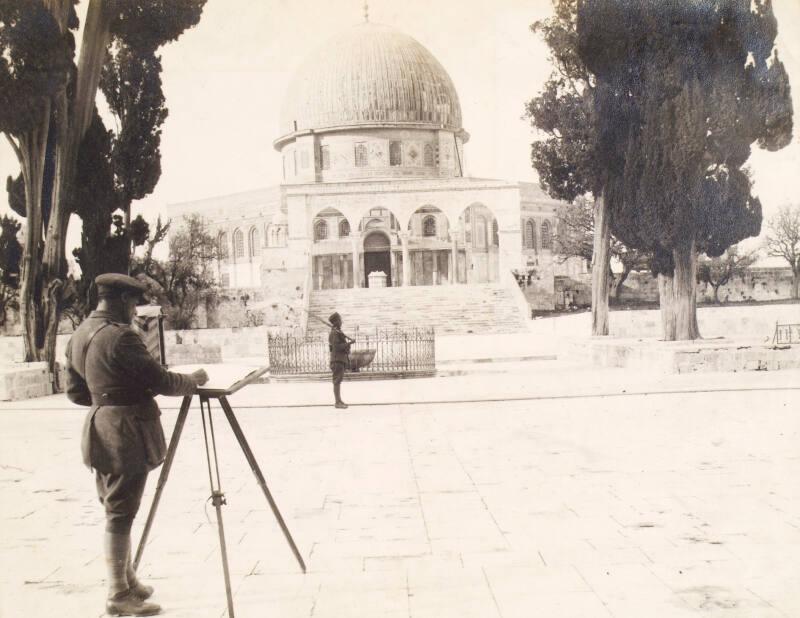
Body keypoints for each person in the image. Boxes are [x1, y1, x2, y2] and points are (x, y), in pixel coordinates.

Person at [65, 273, 208, 617]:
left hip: (100, 428)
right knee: (120, 511)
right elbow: (160, 381)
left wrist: (107, 398)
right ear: (121, 301)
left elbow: (74, 392)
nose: (134, 310)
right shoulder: (121, 337)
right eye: (132, 303)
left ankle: (127, 580)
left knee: (118, 506)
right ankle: (118, 595)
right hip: (126, 433)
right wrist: (194, 380)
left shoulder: (80, 333)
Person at [328, 312, 350, 409]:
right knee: (337, 381)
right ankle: (337, 402)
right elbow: (337, 347)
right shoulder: (334, 333)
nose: (341, 322)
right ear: (336, 322)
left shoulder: (337, 332)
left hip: (339, 360)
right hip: (337, 360)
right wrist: (349, 343)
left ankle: (339, 400)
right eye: (340, 320)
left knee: (338, 381)